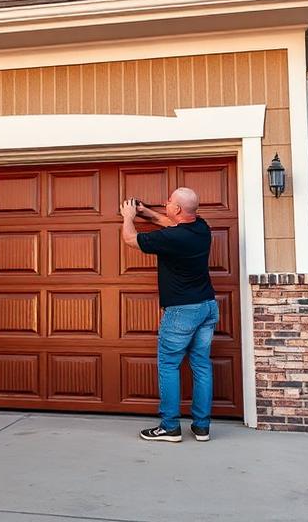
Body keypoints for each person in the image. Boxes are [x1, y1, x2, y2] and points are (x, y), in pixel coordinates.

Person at [120, 188, 218, 443]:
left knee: (169, 365)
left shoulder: (172, 238)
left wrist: (128, 216)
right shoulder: (201, 228)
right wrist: (146, 212)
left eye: (169, 202)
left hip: (182, 312)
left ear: (176, 209)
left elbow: (131, 240)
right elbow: (167, 222)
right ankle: (201, 427)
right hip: (207, 306)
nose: (166, 203)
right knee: (201, 365)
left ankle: (170, 426)